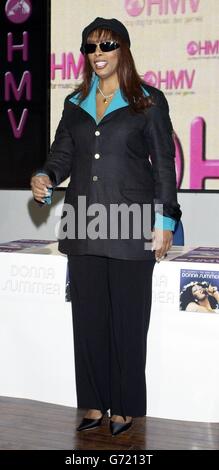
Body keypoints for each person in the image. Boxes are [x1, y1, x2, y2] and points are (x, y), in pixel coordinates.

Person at [31, 17, 182, 437]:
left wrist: (165, 219)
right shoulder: (75, 102)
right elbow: (62, 153)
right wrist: (45, 174)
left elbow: (165, 167)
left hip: (132, 225)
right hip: (83, 223)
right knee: (89, 320)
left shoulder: (148, 101)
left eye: (107, 45)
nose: (98, 54)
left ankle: (125, 406)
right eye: (90, 47)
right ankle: (95, 404)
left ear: (123, 50)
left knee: (129, 322)